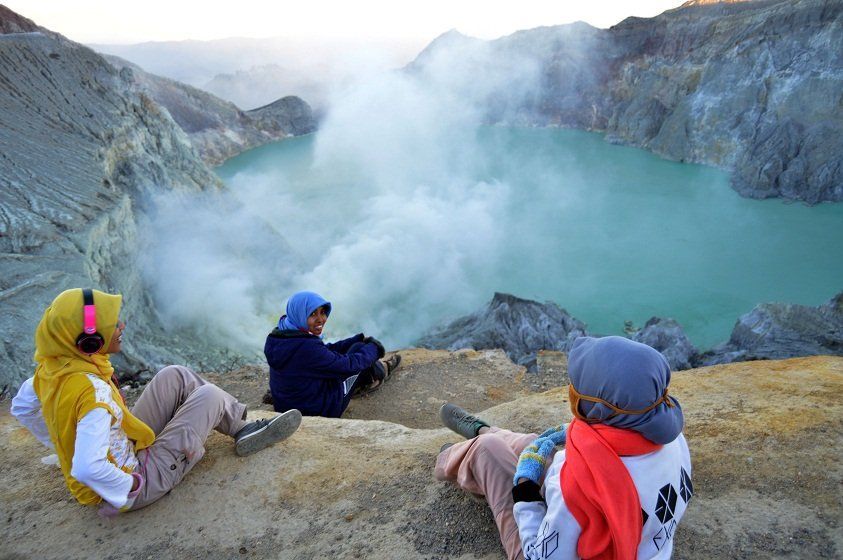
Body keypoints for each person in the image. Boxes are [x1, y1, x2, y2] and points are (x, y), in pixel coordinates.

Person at [11, 288, 302, 515]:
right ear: (90, 341)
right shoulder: (93, 393)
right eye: (112, 324)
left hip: (125, 446)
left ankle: (241, 428)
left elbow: (21, 407)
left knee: (174, 375)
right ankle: (237, 428)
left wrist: (66, 446)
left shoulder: (52, 370)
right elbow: (87, 468)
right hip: (139, 480)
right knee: (210, 396)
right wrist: (128, 486)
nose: (122, 325)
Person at [435, 336, 692, 560]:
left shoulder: (573, 484)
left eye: (577, 386)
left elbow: (542, 555)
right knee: (535, 444)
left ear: (600, 409)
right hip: (642, 544)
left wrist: (526, 489)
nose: (573, 389)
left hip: (574, 540)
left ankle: (460, 455)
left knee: (488, 451)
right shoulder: (671, 438)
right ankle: (483, 431)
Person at [265, 290, 401, 418]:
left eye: (323, 312)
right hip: (317, 410)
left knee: (357, 346)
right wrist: (374, 349)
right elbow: (348, 365)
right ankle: (378, 374)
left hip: (286, 404)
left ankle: (371, 371)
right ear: (300, 314)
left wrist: (353, 340)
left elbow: (323, 351)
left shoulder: (278, 336)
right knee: (359, 353)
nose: (320, 319)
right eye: (312, 314)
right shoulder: (307, 347)